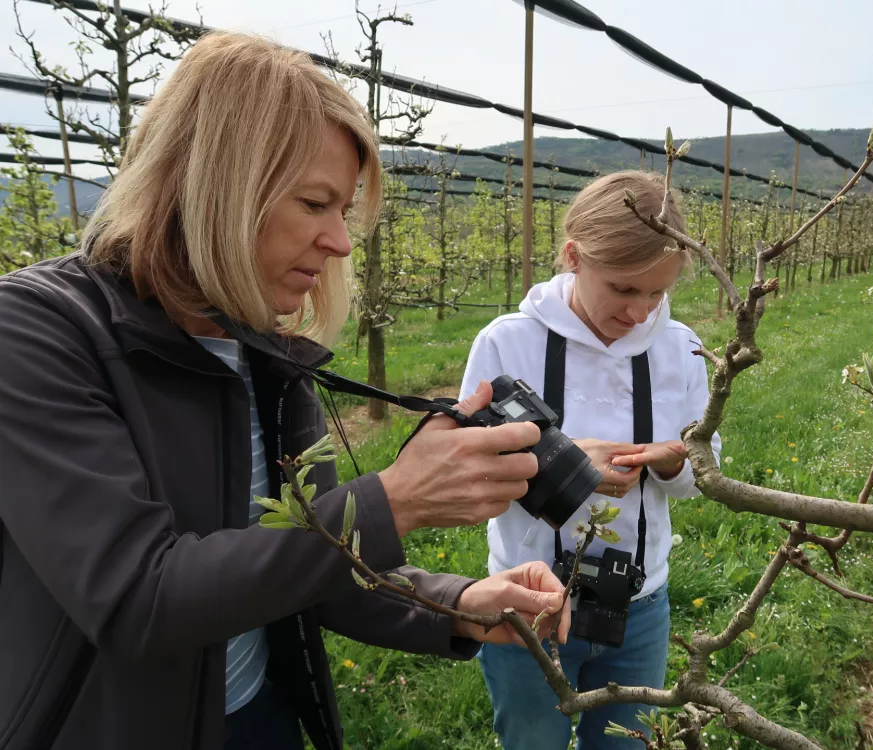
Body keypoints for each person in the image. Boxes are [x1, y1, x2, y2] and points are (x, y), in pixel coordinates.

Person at [0, 32, 571, 750]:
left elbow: (309, 566)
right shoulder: (37, 331)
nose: (340, 242)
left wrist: (457, 604)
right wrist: (391, 502)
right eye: (314, 203)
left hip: (261, 719)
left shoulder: (262, 348)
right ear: (214, 188)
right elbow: (136, 598)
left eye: (345, 212)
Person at [460, 171, 723, 749]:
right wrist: (570, 466)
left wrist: (677, 463)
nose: (640, 312)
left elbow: (706, 475)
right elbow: (468, 471)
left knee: (629, 741)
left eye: (657, 293)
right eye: (624, 290)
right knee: (532, 740)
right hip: (527, 600)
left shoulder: (681, 350)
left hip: (638, 604)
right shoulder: (509, 343)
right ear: (574, 257)